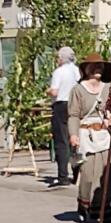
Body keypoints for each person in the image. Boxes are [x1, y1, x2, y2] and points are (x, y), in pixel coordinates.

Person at [68, 53, 111, 221]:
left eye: (100, 66)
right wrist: (73, 135)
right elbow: (73, 115)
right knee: (88, 174)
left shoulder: (109, 88)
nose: (97, 69)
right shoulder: (78, 90)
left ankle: (102, 208)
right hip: (86, 135)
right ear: (86, 69)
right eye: (94, 66)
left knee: (106, 173)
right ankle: (84, 204)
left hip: (104, 135)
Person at [47, 46, 79, 186]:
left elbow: (54, 92)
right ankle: (77, 173)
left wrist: (47, 91)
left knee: (61, 141)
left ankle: (63, 176)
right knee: (74, 137)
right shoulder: (77, 70)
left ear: (61, 58)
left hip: (61, 105)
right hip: (75, 104)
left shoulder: (59, 72)